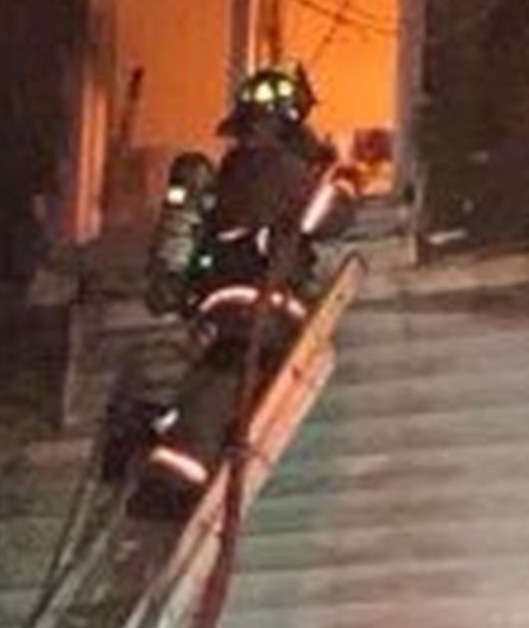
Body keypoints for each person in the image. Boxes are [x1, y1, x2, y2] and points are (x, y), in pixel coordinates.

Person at [120, 61, 358, 519]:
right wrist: (344, 178)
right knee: (224, 395)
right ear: (286, 121)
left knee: (214, 390)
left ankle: (154, 441)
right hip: (262, 309)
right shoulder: (279, 167)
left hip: (220, 306)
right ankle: (168, 489)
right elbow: (331, 218)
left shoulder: (231, 171)